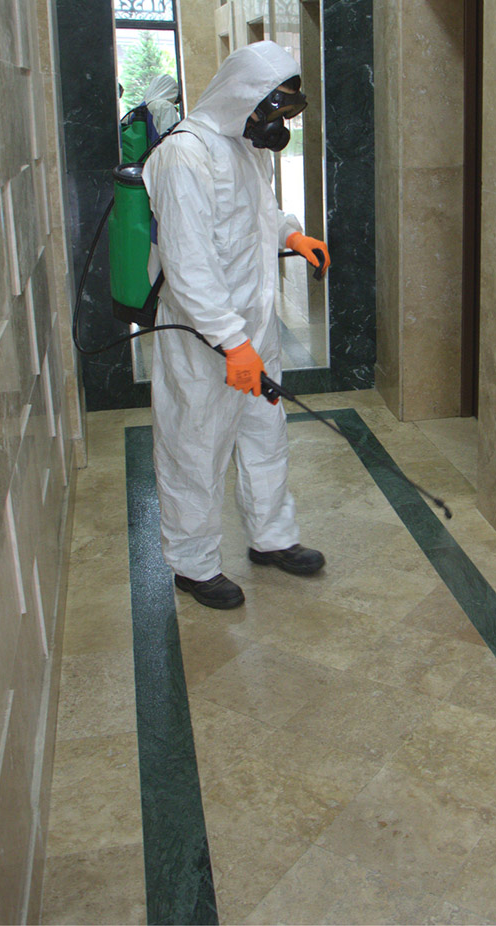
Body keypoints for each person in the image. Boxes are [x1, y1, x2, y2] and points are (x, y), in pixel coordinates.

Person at [142, 41, 330, 609]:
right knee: (196, 447)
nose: (275, 127)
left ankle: (272, 538)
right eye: (272, 111)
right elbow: (188, 265)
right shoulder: (184, 155)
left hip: (255, 327)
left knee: (265, 435)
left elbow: (257, 213)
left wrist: (291, 233)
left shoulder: (247, 147)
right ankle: (193, 565)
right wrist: (230, 342)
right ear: (241, 96)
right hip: (203, 339)